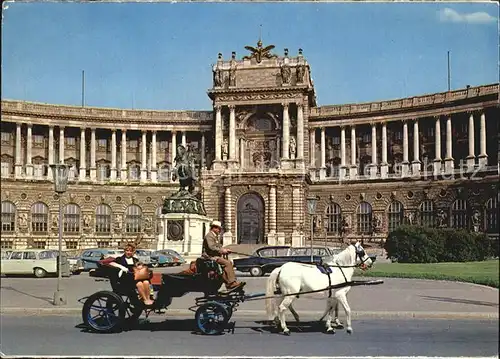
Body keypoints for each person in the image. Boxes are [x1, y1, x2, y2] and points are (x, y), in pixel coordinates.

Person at [202, 220, 244, 291]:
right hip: (210, 257)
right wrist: (221, 250)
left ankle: (228, 283)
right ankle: (231, 283)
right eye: (219, 229)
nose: (219, 231)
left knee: (226, 264)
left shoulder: (214, 236)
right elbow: (211, 247)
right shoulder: (209, 236)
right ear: (214, 228)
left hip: (215, 256)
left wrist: (225, 249)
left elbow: (217, 246)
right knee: (227, 263)